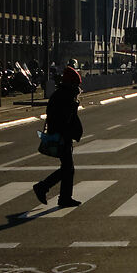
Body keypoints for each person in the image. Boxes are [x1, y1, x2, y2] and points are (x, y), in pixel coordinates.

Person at [32, 66, 85, 207]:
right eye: (76, 84)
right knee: (68, 168)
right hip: (62, 136)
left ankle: (62, 196)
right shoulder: (65, 96)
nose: (78, 87)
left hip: (61, 134)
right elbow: (65, 119)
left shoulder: (61, 94)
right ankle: (45, 188)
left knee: (67, 168)